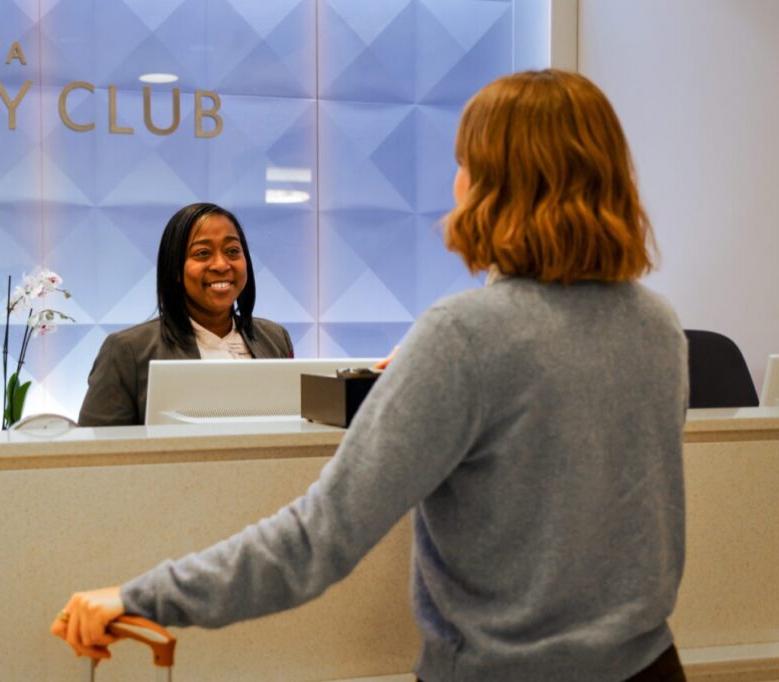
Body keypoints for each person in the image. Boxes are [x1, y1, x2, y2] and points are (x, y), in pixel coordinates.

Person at [53, 70, 688, 682]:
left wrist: (140, 596)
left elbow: (317, 541)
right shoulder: (657, 325)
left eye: (464, 162)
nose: (456, 181)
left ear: (497, 184)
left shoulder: (463, 335)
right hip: (651, 667)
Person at [77, 202, 294, 426]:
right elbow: (97, 444)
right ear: (176, 269)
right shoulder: (127, 351)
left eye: (232, 251)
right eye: (203, 253)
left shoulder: (275, 338)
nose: (221, 265)